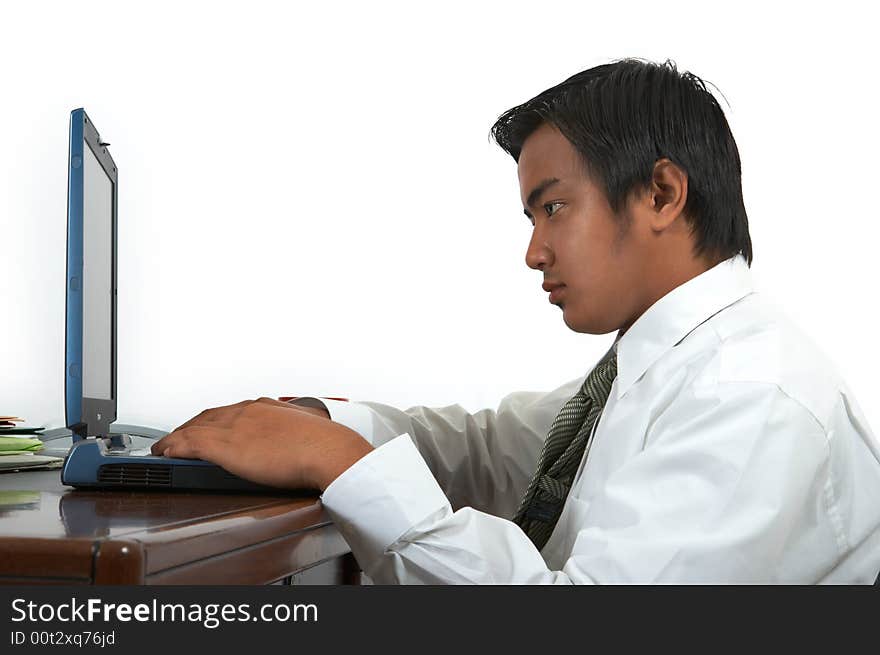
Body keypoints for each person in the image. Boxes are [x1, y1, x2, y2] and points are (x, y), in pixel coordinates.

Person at [152, 58, 880, 584]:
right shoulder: (664, 367)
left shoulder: (751, 395)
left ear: (661, 193)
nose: (535, 251)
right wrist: (316, 423)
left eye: (554, 206)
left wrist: (336, 463)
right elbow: (489, 450)